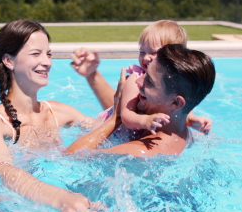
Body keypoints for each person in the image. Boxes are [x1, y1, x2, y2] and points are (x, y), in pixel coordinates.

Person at [0, 20, 102, 212]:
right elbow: (5, 171)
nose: (47, 62)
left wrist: (92, 76)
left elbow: (109, 130)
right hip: (0, 205)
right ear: (9, 60)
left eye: (48, 54)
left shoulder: (59, 112)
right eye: (36, 54)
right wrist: (61, 198)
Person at [66, 44, 216, 157]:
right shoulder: (185, 132)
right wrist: (92, 75)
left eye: (149, 82)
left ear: (175, 103)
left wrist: (116, 118)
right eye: (144, 73)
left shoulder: (139, 151)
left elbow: (71, 156)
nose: (138, 82)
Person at [70, 20, 212, 136]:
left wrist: (192, 119)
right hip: (105, 128)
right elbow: (125, 116)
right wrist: (145, 120)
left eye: (154, 53)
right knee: (84, 128)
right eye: (142, 52)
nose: (145, 57)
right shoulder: (136, 79)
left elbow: (181, 109)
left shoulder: (175, 85)